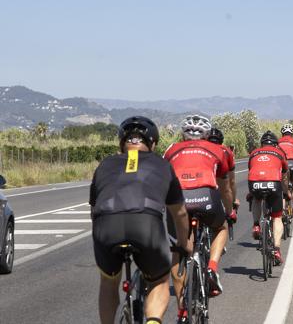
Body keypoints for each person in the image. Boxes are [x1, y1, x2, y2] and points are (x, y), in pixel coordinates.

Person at [90, 116, 190, 324]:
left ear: (121, 142)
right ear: (152, 143)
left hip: (106, 225)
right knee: (160, 281)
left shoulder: (105, 165)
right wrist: (183, 242)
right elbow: (179, 212)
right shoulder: (162, 165)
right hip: (146, 225)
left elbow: (94, 209)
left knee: (109, 282)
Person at [163, 115, 234, 320]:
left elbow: (161, 177)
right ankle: (211, 267)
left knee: (178, 249)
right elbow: (225, 187)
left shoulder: (171, 149)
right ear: (207, 134)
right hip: (206, 196)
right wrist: (228, 212)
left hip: (178, 201)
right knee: (221, 228)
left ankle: (182, 309)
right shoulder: (218, 149)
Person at [247, 131, 289, 265]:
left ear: (261, 144)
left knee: (256, 199)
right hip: (273, 183)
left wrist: (251, 192)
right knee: (277, 217)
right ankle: (276, 249)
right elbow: (284, 176)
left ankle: (256, 225)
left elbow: (251, 170)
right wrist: (286, 192)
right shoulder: (280, 153)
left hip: (254, 182)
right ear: (276, 144)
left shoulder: (254, 153)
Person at [207, 127, 240, 215]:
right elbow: (232, 181)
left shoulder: (201, 149)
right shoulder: (227, 151)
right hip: (220, 184)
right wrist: (233, 200)